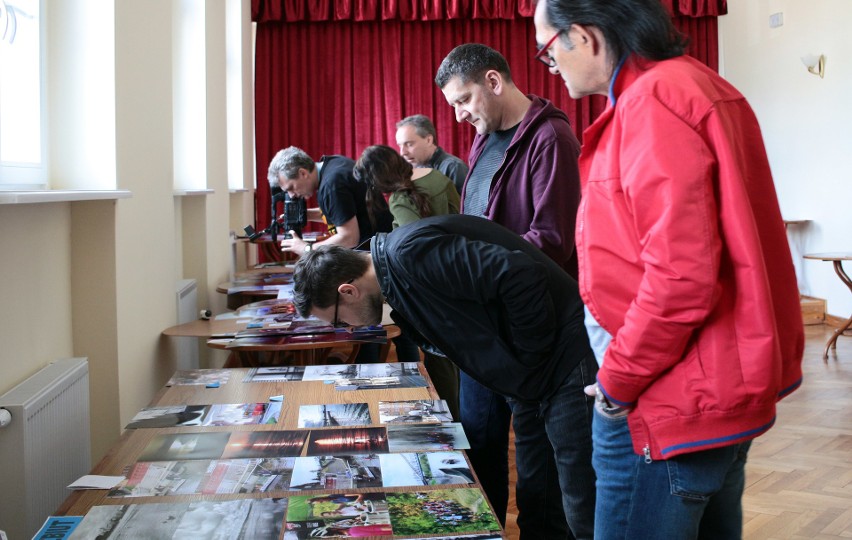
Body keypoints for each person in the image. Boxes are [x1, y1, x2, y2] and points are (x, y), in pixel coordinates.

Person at [533, 1, 805, 538]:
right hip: (710, 381)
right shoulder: (696, 85)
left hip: (667, 395)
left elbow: (681, 278)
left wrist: (617, 383)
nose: (552, 65)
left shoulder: (653, 103)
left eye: (547, 50)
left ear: (583, 36)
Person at [292, 215, 597, 539]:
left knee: (581, 505)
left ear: (348, 291)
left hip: (563, 360)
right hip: (532, 378)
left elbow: (521, 274)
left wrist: (530, 355)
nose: (348, 330)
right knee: (539, 495)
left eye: (340, 321)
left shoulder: (410, 252)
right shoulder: (395, 275)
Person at [434, 42, 582, 536]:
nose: (458, 115)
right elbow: (480, 219)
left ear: (494, 82)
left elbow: (553, 241)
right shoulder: (485, 135)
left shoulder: (552, 137)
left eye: (464, 100)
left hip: (529, 325)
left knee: (538, 462)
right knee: (479, 439)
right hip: (484, 321)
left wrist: (468, 268)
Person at [353, 144, 462, 420]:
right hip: (458, 277)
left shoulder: (401, 200)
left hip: (430, 290)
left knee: (440, 364)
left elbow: (412, 252)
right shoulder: (438, 178)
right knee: (460, 361)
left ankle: (452, 424)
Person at [266, 146, 392, 255]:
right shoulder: (332, 163)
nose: (292, 196)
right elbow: (342, 213)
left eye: (291, 188)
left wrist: (306, 248)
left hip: (377, 253)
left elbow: (349, 238)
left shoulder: (331, 186)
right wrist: (305, 215)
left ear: (303, 173)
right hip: (383, 244)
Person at [395, 115, 468, 195]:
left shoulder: (454, 167)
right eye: (400, 146)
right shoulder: (408, 170)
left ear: (428, 140)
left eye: (409, 144)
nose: (402, 152)